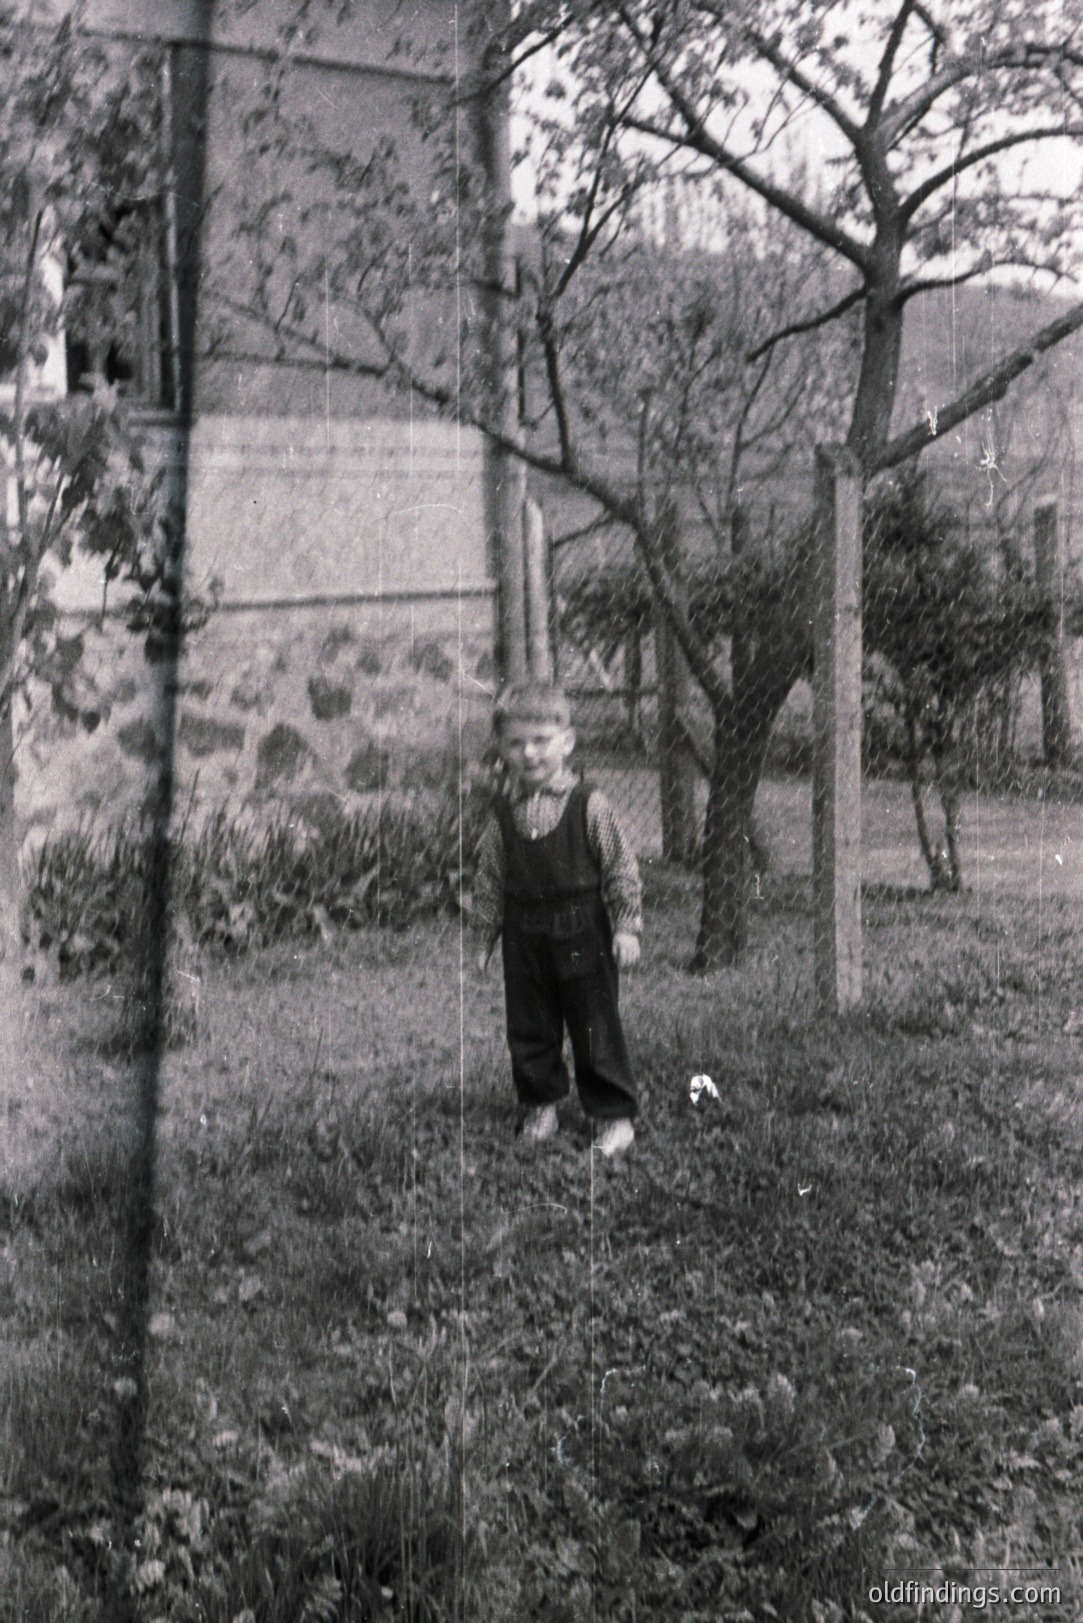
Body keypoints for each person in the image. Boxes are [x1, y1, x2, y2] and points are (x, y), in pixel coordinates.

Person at [473, 682, 641, 1157]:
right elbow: (490, 879)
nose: (528, 753)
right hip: (524, 937)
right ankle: (540, 1106)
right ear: (501, 748)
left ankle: (613, 1116)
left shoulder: (589, 804)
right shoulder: (502, 815)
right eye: (515, 743)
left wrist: (626, 925)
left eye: (540, 740)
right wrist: (485, 936)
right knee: (530, 1026)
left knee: (594, 1025)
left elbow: (620, 867)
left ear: (567, 742)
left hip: (582, 930)